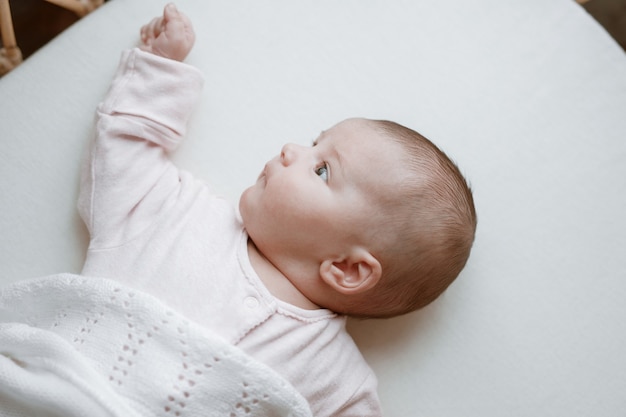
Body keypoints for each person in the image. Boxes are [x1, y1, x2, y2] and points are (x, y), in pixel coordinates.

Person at [78, 3, 476, 416]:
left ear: (347, 269)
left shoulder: (332, 377)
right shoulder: (178, 217)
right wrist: (158, 69)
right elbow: (119, 156)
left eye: (322, 170)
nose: (291, 150)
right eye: (313, 141)